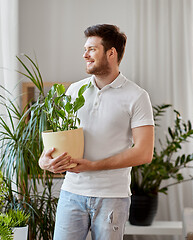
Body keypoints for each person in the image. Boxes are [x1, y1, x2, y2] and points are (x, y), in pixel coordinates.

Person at [39, 24, 155, 240]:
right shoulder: (74, 90)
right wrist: (44, 161)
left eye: (92, 49)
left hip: (112, 197)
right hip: (71, 193)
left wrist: (93, 166)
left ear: (111, 53)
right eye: (85, 49)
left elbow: (144, 152)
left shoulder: (137, 96)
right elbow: (61, 138)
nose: (85, 55)